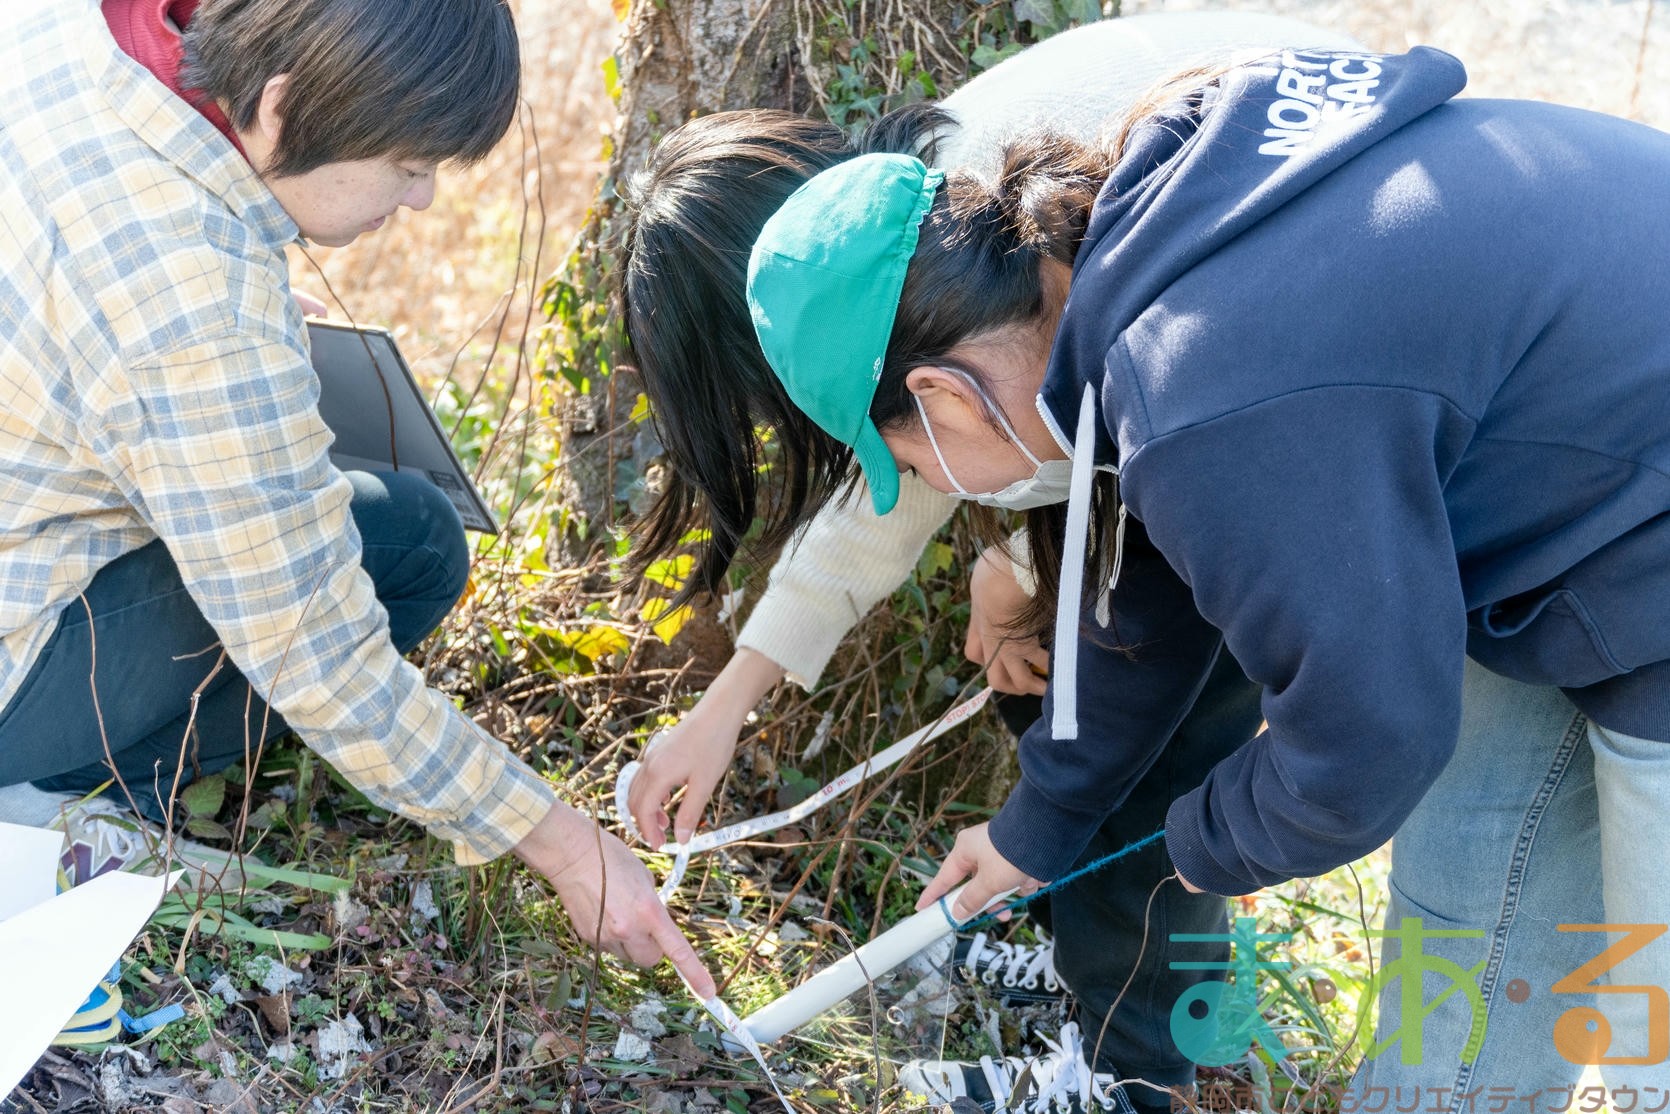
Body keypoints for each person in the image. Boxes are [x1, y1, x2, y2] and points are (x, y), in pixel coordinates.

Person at [654, 39, 1670, 1105]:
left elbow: (1368, 736)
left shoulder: (1207, 388)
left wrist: (1203, 842)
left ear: (943, 395)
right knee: (1462, 937)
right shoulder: (1147, 260)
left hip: (1637, 553)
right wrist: (1039, 825)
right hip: (1570, 536)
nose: (928, 484)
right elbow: (1153, 591)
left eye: (908, 463)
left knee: (1651, 1039)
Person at [618, 13, 1362, 1109]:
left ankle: (1128, 1069)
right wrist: (725, 705)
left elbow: (1100, 411)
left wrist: (1017, 561)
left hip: (1295, 380)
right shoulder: (901, 239)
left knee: (1142, 752)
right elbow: (921, 480)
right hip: (1224, 386)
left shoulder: (963, 215)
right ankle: (1088, 965)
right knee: (1050, 685)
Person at [0, 0, 712, 998]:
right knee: (414, 547)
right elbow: (319, 656)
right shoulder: (200, 312)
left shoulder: (67, 28)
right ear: (283, 105)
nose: (420, 198)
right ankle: (56, 795)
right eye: (407, 165)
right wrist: (559, 842)